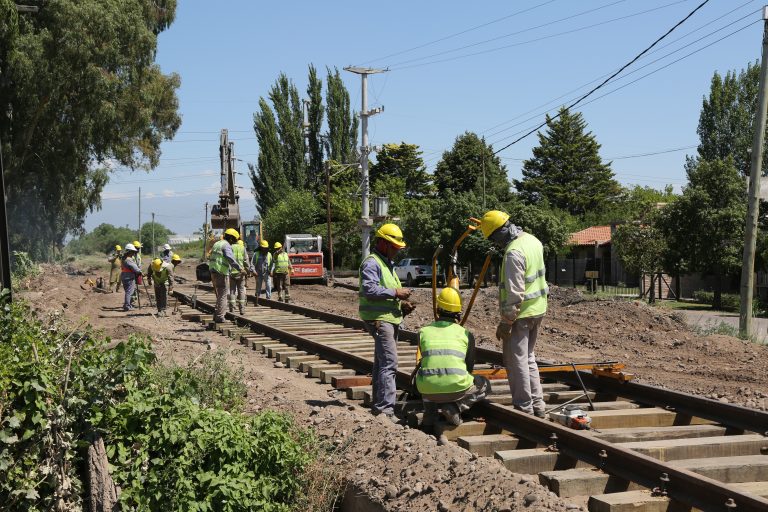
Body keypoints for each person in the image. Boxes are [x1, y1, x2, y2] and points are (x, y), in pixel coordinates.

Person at [479, 210, 548, 418]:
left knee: (516, 360)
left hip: (521, 314)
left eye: (493, 237)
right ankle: (538, 405)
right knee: (528, 358)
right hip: (538, 309)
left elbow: (515, 293)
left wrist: (506, 322)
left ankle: (524, 408)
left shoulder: (513, 253)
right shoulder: (533, 240)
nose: (495, 243)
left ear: (500, 231)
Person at [358, 223, 412, 420]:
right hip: (379, 320)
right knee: (389, 363)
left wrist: (402, 305)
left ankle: (378, 406)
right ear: (382, 243)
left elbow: (386, 294)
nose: (397, 251)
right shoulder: (372, 263)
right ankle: (386, 410)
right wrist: (396, 292)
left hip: (388, 319)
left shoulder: (386, 264)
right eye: (394, 247)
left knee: (381, 362)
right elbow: (369, 290)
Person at [416, 287, 490, 426]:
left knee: (424, 375)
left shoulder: (423, 332)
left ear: (438, 308)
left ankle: (430, 414)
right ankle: (456, 407)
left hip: (427, 391)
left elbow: (424, 362)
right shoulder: (466, 334)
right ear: (458, 312)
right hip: (457, 391)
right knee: (485, 384)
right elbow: (468, 368)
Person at [209, 228, 243, 322]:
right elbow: (230, 259)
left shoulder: (217, 243)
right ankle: (220, 316)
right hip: (221, 272)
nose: (233, 243)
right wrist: (240, 268)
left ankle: (216, 315)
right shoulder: (226, 245)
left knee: (219, 294)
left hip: (213, 270)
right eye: (234, 240)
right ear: (231, 238)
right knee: (223, 294)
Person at [228, 239, 254, 315]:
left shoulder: (230, 247)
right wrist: (248, 271)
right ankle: (242, 309)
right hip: (241, 273)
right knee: (241, 290)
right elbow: (246, 261)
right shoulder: (242, 248)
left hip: (232, 273)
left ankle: (232, 308)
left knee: (232, 290)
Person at [120, 243, 142, 312]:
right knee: (129, 292)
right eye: (132, 252)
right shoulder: (129, 259)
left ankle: (127, 305)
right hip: (129, 277)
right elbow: (135, 268)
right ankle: (127, 306)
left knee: (127, 291)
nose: (133, 253)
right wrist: (140, 272)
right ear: (130, 251)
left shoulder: (123, 258)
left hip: (124, 276)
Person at [252, 239, 273, 304]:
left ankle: (268, 299)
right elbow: (252, 263)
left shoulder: (269, 254)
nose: (265, 249)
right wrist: (253, 271)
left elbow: (272, 264)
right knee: (258, 287)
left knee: (268, 285)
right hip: (258, 273)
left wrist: (271, 270)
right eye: (264, 248)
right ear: (261, 248)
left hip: (267, 273)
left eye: (266, 248)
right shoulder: (256, 254)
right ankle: (257, 299)